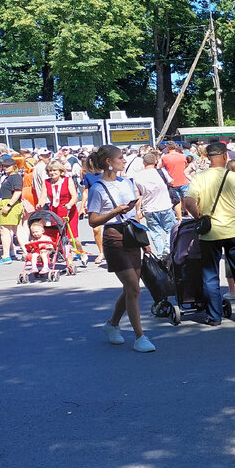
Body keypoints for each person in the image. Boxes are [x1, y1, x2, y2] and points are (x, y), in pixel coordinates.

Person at [85, 145, 155, 352]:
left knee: (131, 289)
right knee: (133, 288)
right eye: (120, 157)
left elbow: (134, 215)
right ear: (109, 161)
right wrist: (115, 211)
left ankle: (112, 324)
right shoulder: (97, 188)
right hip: (113, 237)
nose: (124, 161)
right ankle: (140, 336)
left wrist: (145, 240)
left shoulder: (126, 182)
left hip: (132, 235)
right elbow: (93, 221)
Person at [183, 141, 235, 326]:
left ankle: (214, 316)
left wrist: (199, 216)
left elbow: (188, 201)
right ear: (225, 156)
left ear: (208, 157)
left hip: (210, 232)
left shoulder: (199, 177)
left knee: (210, 276)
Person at [132, 152, 177, 258]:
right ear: (156, 161)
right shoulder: (161, 172)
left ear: (144, 162)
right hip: (165, 205)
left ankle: (161, 254)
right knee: (171, 229)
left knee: (155, 232)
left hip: (149, 208)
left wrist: (138, 210)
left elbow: (137, 195)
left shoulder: (137, 176)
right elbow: (172, 182)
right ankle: (167, 248)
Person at [0, 154, 24, 265]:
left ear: (14, 166)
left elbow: (17, 192)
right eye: (4, 166)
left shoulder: (15, 177)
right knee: (16, 229)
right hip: (8, 202)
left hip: (11, 203)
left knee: (5, 230)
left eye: (8, 166)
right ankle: (26, 252)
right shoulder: (8, 177)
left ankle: (6, 255)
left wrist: (9, 205)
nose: (5, 168)